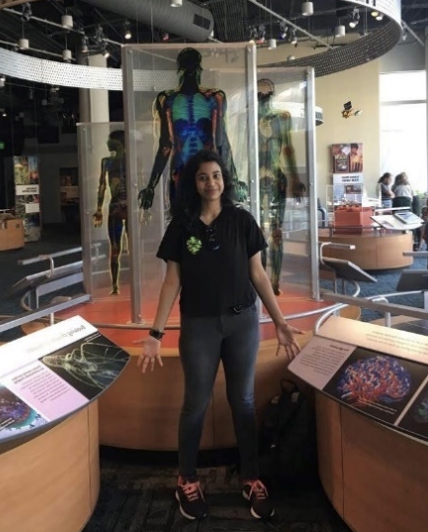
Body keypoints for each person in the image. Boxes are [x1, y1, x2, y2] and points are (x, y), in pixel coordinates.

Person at [137, 150, 302, 521]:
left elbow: (258, 274)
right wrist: (155, 332)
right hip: (199, 325)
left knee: (243, 401)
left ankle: (251, 477)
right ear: (192, 184)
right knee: (195, 404)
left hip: (243, 322)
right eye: (202, 177)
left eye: (216, 175)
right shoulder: (181, 227)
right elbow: (172, 281)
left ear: (224, 180)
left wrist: (279, 320)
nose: (210, 182)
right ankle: (188, 480)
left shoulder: (242, 221)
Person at [140, 48, 246, 213]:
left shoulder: (214, 97)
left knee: (208, 223)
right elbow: (166, 144)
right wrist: (150, 186)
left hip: (203, 173)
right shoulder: (167, 99)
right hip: (183, 174)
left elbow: (221, 142)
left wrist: (234, 180)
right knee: (183, 227)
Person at [257, 78, 304, 295]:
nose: (263, 96)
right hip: (257, 180)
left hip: (275, 179)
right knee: (258, 234)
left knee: (275, 232)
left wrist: (295, 178)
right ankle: (262, 281)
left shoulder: (282, 117)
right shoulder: (248, 117)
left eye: (265, 92)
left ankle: (274, 282)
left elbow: (287, 149)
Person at [93, 130, 129, 295]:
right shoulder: (106, 162)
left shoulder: (133, 159)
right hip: (116, 206)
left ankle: (131, 283)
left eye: (110, 140)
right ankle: (115, 285)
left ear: (118, 142)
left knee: (131, 247)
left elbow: (140, 184)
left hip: (128, 207)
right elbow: (102, 185)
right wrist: (99, 208)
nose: (107, 143)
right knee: (115, 249)